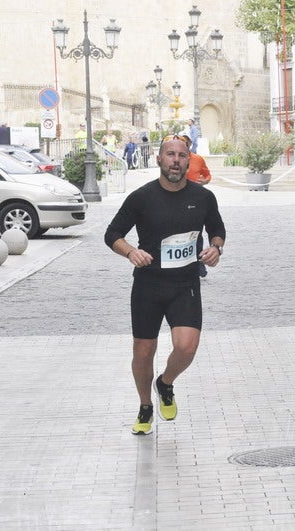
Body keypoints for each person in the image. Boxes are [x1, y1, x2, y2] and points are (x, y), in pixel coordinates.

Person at [104, 135, 226, 435]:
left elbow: (217, 229)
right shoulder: (142, 197)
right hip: (148, 285)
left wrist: (215, 248)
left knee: (186, 347)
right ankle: (146, 406)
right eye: (170, 155)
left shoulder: (203, 198)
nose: (176, 160)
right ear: (159, 159)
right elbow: (112, 234)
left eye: (182, 155)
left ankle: (165, 382)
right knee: (144, 352)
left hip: (185, 284)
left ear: (189, 160)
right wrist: (131, 251)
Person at [180, 132, 212, 278]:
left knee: (196, 233)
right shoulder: (175, 159)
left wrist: (205, 181)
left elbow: (207, 175)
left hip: (195, 199)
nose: (184, 145)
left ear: (190, 145)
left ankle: (199, 265)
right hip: (177, 199)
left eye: (186, 143)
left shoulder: (198, 159)